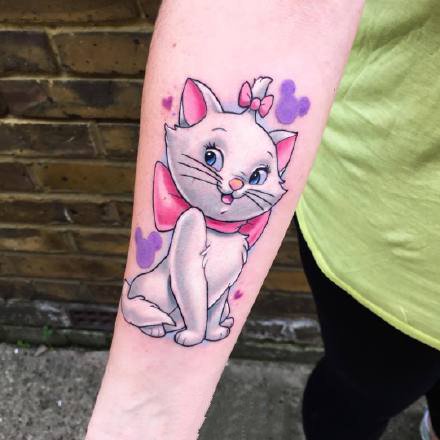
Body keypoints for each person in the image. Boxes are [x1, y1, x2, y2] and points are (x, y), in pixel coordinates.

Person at [86, 1, 439, 439]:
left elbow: (215, 285)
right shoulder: (194, 224)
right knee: (370, 385)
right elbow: (274, 13)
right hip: (387, 252)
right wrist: (147, 413)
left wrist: (210, 320)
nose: (233, 185)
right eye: (212, 156)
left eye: (254, 177)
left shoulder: (237, 236)